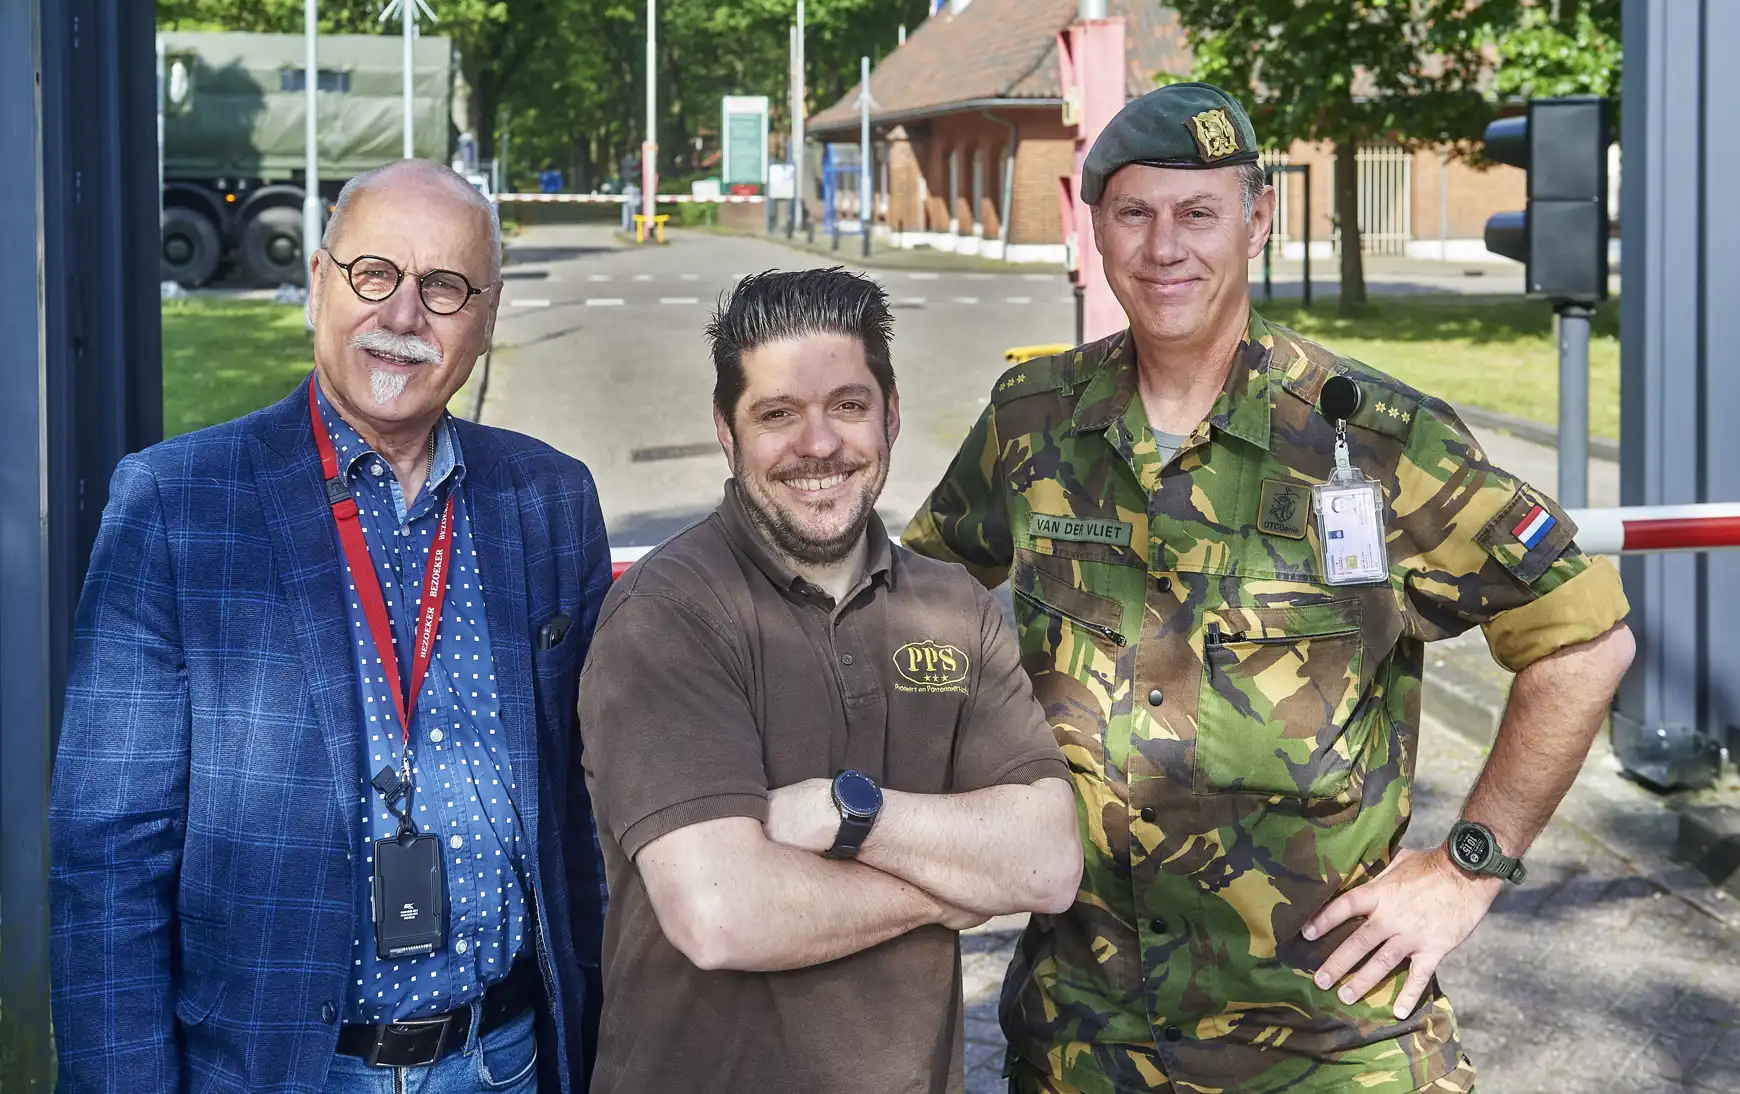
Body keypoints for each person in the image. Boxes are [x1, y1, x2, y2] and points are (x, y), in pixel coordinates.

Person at [904, 82, 1636, 1094]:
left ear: (1257, 222)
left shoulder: (1374, 440)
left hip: (1328, 1044)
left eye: (1198, 213)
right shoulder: (1032, 423)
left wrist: (1469, 863)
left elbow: (1584, 636)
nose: (1165, 247)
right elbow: (916, 608)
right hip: (1083, 1041)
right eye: (1135, 212)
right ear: (1096, 226)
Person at [50, 159, 610, 1094]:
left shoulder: (549, 498)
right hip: (279, 1069)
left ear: (487, 318)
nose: (404, 315)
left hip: (506, 1058)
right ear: (319, 282)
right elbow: (109, 859)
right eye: (373, 274)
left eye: (444, 287)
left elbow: (584, 819)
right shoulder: (177, 506)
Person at [576, 269, 1083, 1093]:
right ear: (726, 432)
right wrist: (947, 890)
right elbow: (719, 912)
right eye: (777, 414)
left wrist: (839, 813)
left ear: (891, 414)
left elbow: (1048, 862)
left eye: (847, 405)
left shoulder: (954, 608)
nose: (818, 445)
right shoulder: (668, 614)